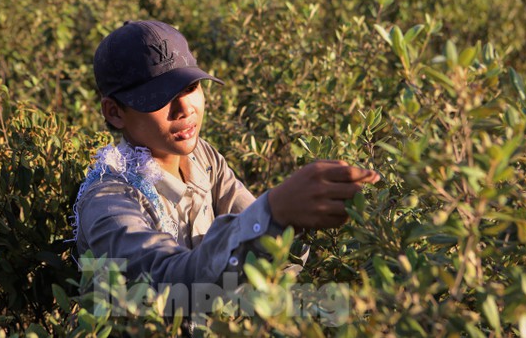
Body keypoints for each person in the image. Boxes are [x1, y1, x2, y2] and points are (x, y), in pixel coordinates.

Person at [73, 20, 380, 288]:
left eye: (190, 87)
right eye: (158, 98)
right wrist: (274, 214)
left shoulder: (203, 158)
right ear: (114, 113)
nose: (185, 109)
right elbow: (165, 283)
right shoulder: (107, 203)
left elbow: (262, 242)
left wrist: (292, 219)